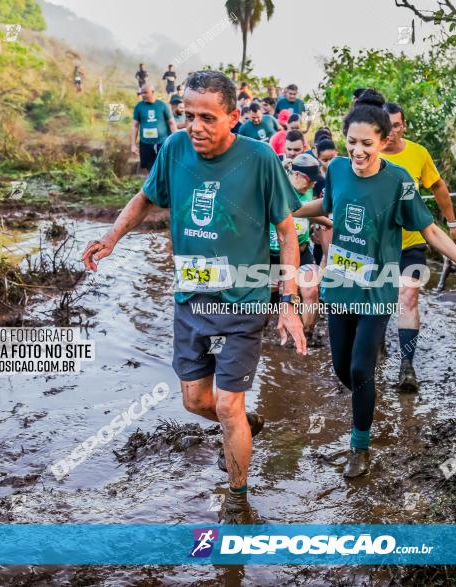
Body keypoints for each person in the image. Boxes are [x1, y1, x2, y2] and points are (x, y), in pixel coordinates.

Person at [83, 71, 306, 524]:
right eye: (188, 116)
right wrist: (111, 239)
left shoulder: (260, 158)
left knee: (227, 403)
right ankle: (248, 426)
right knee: (196, 402)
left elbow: (287, 233)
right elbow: (145, 199)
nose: (196, 127)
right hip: (191, 299)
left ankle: (238, 499)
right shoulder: (174, 150)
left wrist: (289, 301)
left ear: (233, 116)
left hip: (244, 298)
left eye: (208, 117)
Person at [293, 91, 456, 479]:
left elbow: (430, 230)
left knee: (360, 369)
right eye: (352, 143)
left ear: (384, 140)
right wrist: (288, 208)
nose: (358, 152)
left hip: (376, 290)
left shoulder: (398, 181)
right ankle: (367, 403)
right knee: (343, 369)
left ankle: (360, 446)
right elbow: (324, 207)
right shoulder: (337, 169)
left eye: (367, 144)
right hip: (339, 286)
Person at [379, 102, 456, 393]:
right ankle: (375, 344)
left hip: (412, 242)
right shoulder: (366, 153)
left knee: (408, 298)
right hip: (375, 247)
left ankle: (407, 364)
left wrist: (452, 224)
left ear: (404, 126)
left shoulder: (418, 154)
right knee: (378, 303)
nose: (391, 132)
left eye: (397, 125)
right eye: (386, 125)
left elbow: (438, 186)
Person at [268, 153, 331, 343]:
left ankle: (306, 336)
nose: (313, 185)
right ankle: (262, 336)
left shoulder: (314, 189)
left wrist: (330, 223)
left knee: (311, 291)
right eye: (310, 181)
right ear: (296, 175)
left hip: (302, 251)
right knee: (265, 306)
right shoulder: (276, 187)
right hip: (272, 256)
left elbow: (305, 211)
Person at [130, 84, 177, 177]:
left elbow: (171, 123)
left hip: (161, 143)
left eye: (145, 92)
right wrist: (133, 144)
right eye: (141, 93)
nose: (143, 95)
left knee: (163, 167)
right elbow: (134, 126)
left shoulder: (163, 105)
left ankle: (163, 189)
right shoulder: (139, 107)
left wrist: (176, 141)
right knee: (148, 169)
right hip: (145, 143)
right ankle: (150, 189)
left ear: (153, 92)